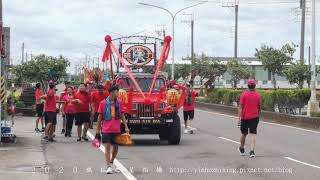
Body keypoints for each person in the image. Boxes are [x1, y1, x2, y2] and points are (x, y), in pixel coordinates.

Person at [95, 85, 130, 174]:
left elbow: (122, 115)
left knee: (115, 148)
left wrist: (126, 127)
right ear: (111, 93)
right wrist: (97, 130)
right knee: (107, 148)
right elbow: (99, 117)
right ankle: (108, 166)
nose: (118, 93)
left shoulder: (119, 102)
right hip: (106, 129)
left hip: (116, 129)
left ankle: (112, 161)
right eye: (116, 92)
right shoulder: (103, 103)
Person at [238, 79, 261, 158]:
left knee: (244, 134)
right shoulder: (257, 95)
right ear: (254, 86)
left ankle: (242, 147)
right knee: (253, 134)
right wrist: (258, 116)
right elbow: (259, 107)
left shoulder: (243, 95)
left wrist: (238, 119)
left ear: (248, 86)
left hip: (244, 117)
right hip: (254, 117)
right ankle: (252, 151)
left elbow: (240, 107)